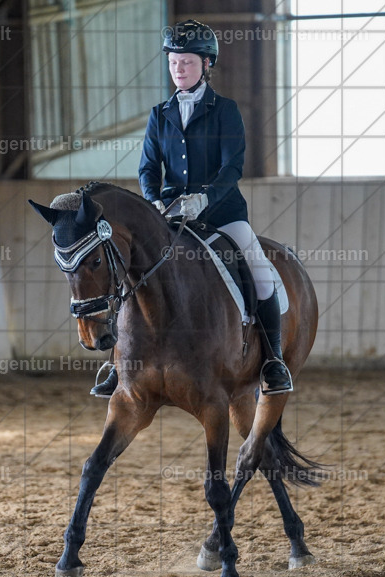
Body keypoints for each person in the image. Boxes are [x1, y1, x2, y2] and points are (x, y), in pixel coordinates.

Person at [91, 19, 292, 398]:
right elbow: (148, 168)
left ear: (205, 65)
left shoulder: (226, 110)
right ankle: (119, 363)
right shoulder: (159, 114)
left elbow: (232, 166)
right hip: (169, 215)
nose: (178, 69)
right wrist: (153, 200)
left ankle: (273, 360)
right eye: (173, 63)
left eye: (186, 62)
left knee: (259, 270)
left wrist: (204, 198)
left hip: (221, 213)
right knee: (128, 271)